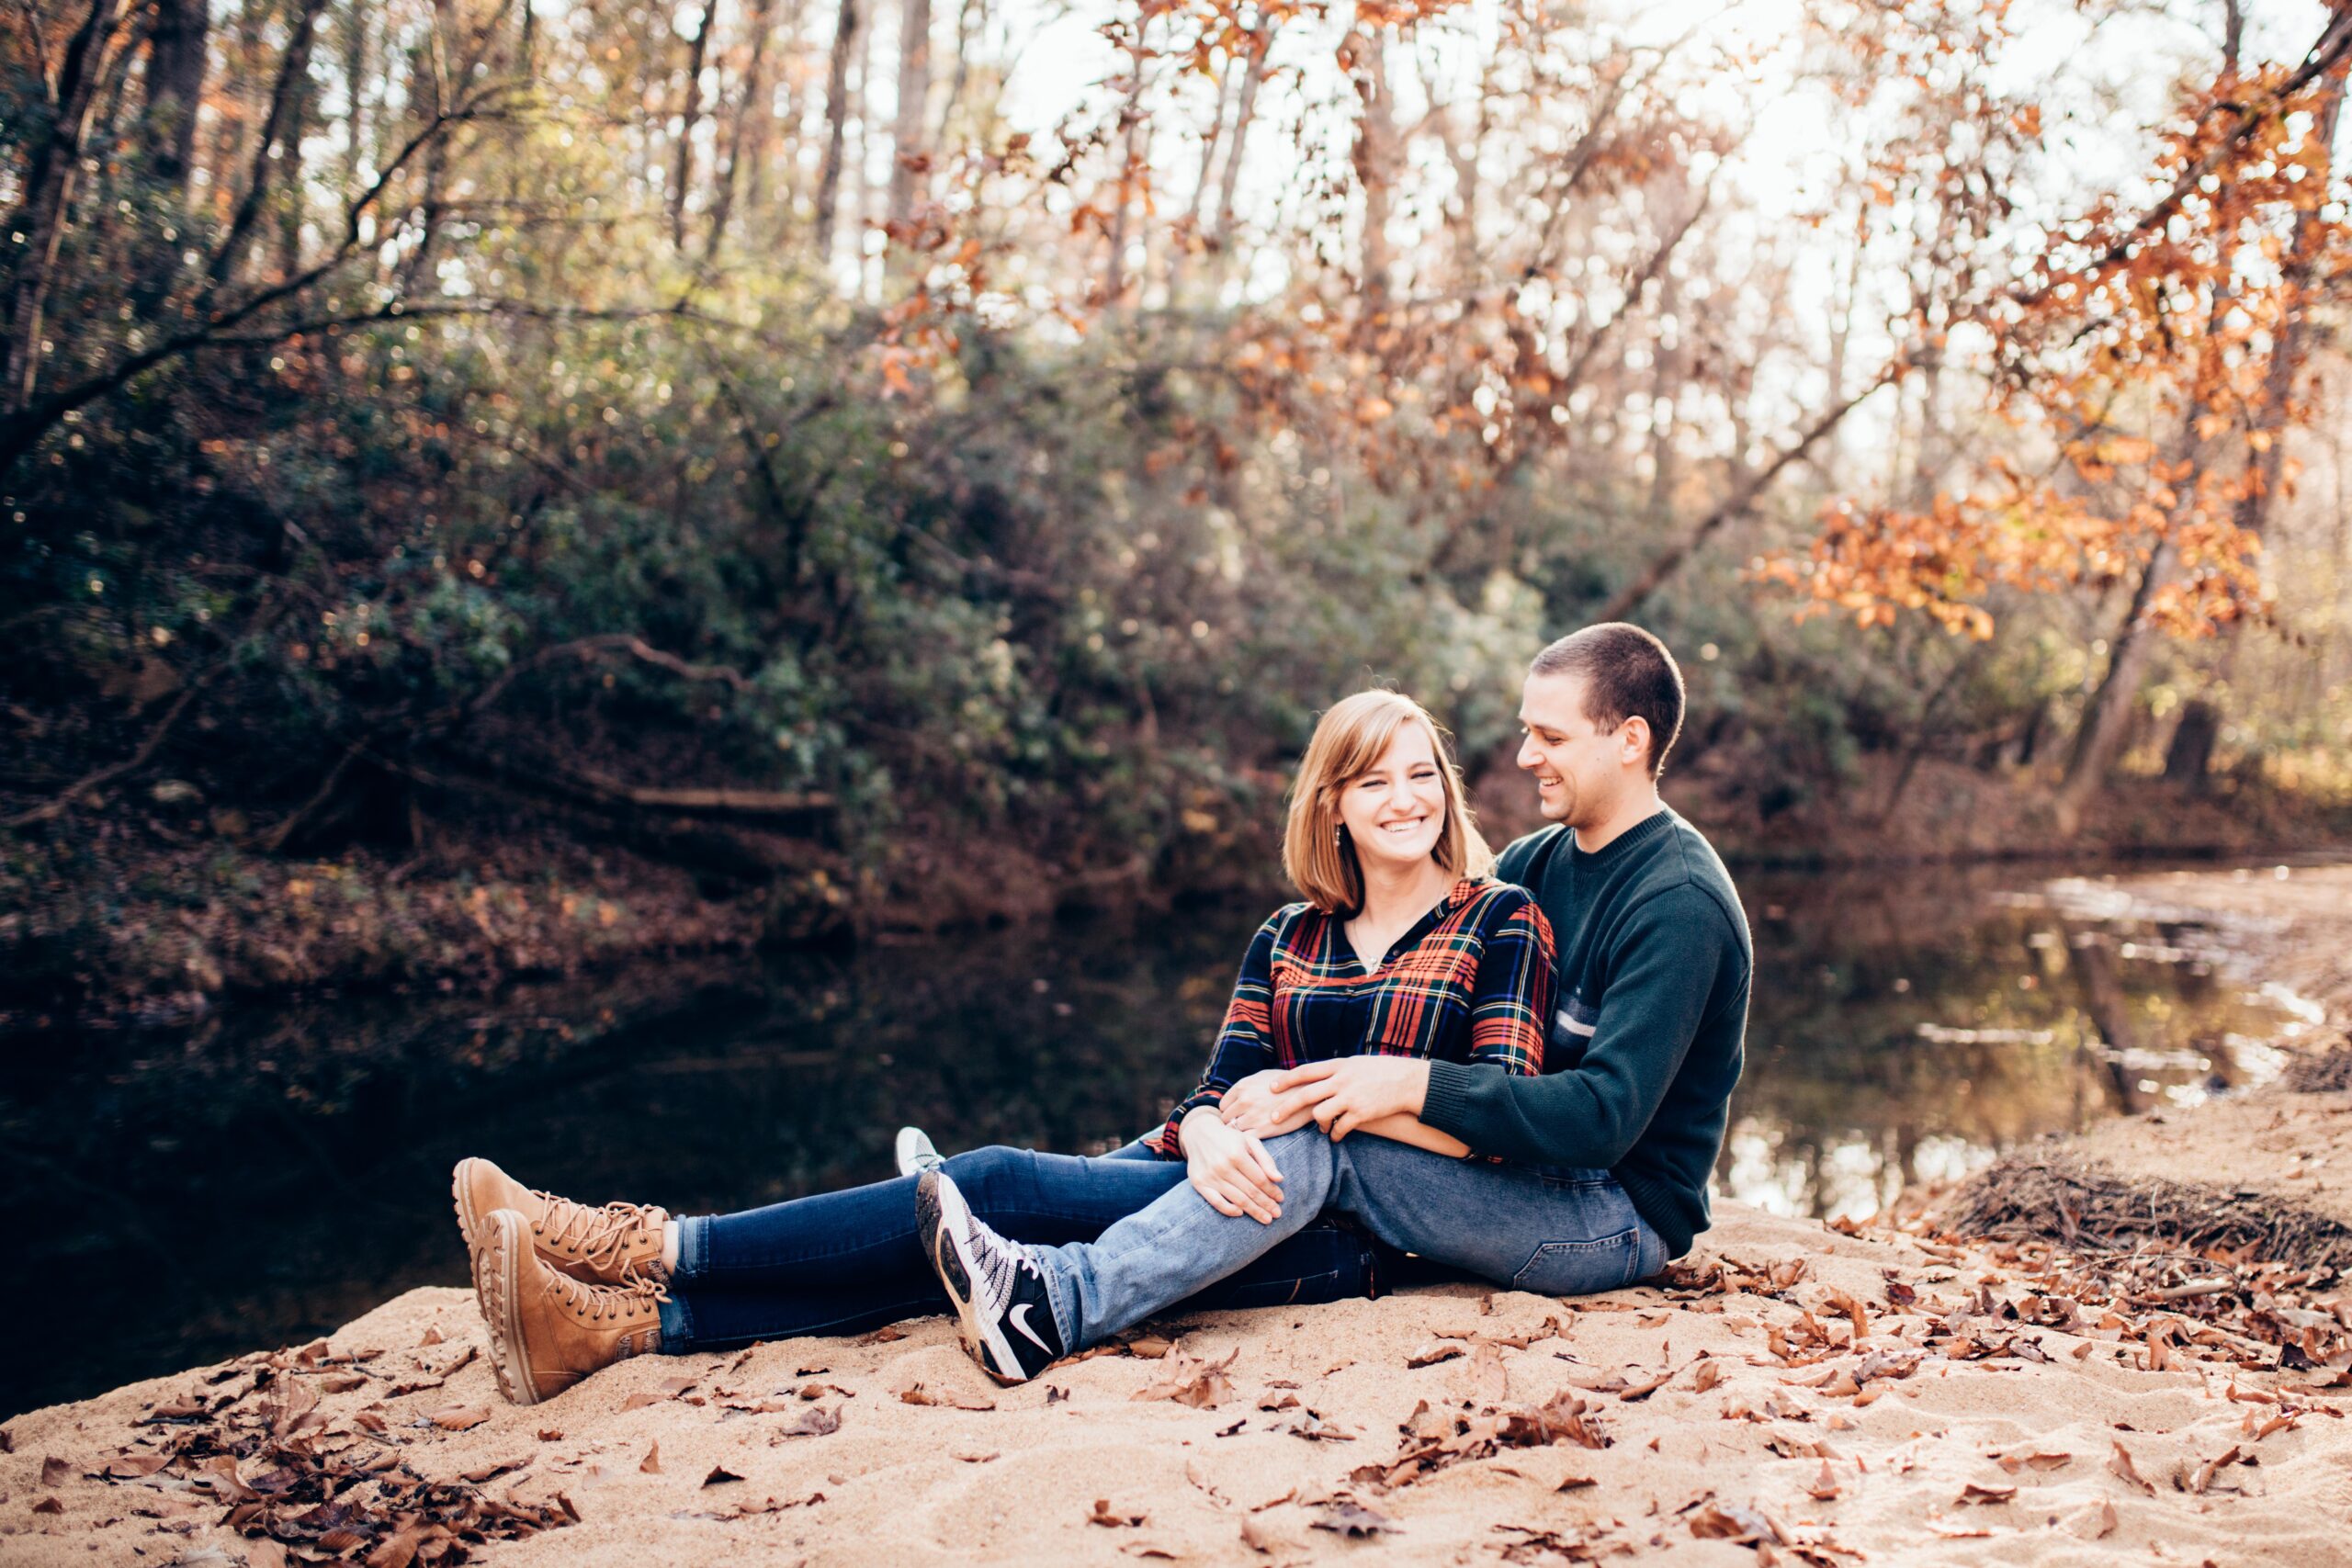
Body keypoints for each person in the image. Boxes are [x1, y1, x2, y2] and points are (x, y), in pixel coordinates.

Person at [453, 689, 1556, 1405]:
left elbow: (1498, 1117)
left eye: (1422, 775)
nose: (1404, 799)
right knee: (963, 1237)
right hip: (1215, 1184)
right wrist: (1214, 1129)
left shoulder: (1497, 918)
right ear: (1333, 804)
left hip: (1337, 1239)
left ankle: (642, 1250)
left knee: (983, 1187)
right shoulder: (1289, 934)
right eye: (1375, 779)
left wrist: (1323, 1107)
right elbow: (1214, 1084)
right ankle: (622, 1327)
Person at [915, 623, 1751, 1383]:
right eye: (1528, 728)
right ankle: (1012, 1216)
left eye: (1551, 735)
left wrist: (1387, 1082)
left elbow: (1603, 1119)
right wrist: (1250, 1104)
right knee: (1231, 1132)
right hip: (1522, 1171)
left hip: (1610, 1214)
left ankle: (1055, 1303)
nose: (1526, 753)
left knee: (1327, 1137)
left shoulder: (1678, 899)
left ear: (1630, 740)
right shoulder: (1536, 862)